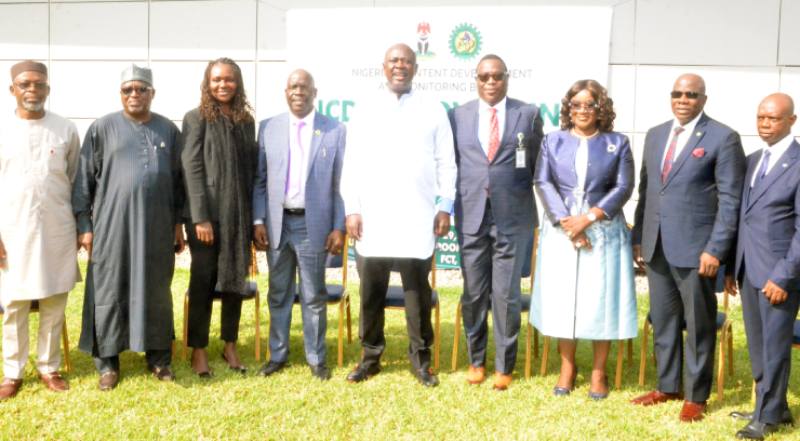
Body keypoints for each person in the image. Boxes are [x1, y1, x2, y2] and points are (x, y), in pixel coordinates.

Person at [631, 73, 746, 421]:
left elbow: (730, 201)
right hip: (656, 246)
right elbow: (647, 190)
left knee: (698, 324)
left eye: (691, 95)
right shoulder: (655, 135)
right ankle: (668, 386)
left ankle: (696, 395)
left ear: (704, 100)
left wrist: (716, 249)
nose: (683, 99)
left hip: (698, 252)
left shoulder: (723, 137)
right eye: (678, 93)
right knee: (665, 320)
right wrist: (639, 236)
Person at [341, 43, 456, 387]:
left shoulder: (433, 108)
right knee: (371, 294)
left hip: (417, 218)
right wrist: (352, 209)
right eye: (394, 60)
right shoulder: (365, 108)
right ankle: (370, 356)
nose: (400, 66)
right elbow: (352, 164)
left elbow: (446, 161)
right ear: (383, 66)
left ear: (416, 69)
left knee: (416, 295)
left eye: (407, 61)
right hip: (373, 219)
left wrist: (445, 205)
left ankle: (421, 361)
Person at [72, 64, 185, 391]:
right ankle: (107, 364)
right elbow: (83, 181)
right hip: (111, 228)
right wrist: (85, 225)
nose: (134, 95)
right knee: (109, 289)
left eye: (141, 89)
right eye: (128, 90)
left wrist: (179, 224)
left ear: (152, 93)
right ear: (120, 93)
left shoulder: (168, 131)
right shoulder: (102, 128)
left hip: (158, 228)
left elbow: (180, 184)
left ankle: (159, 358)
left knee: (157, 292)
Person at [530, 79, 637, 399]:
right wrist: (568, 225)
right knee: (565, 301)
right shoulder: (553, 141)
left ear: (600, 108)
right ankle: (567, 368)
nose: (582, 111)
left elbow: (623, 187)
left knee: (599, 301)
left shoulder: (617, 143)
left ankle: (598, 373)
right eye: (575, 105)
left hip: (602, 233)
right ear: (568, 109)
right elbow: (543, 180)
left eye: (589, 104)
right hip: (562, 232)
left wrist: (588, 218)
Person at [448, 54, 543, 390]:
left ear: (507, 77)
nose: (490, 82)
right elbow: (452, 164)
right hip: (472, 213)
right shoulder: (458, 115)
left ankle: (504, 366)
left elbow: (535, 163)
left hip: (512, 217)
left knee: (506, 294)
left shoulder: (528, 114)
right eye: (484, 77)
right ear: (476, 79)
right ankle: (476, 361)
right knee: (474, 293)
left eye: (497, 76)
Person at [252, 69, 346, 381]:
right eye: (293, 86)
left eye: (304, 87)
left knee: (313, 295)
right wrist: (258, 219)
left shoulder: (334, 131)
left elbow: (340, 185)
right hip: (278, 225)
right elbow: (260, 181)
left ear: (314, 92)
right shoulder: (268, 128)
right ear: (285, 91)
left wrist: (338, 227)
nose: (298, 92)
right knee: (278, 293)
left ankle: (316, 358)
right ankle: (277, 355)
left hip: (313, 226)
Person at [0, 61, 80, 400]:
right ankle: (12, 372)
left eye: (39, 85)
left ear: (48, 89)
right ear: (12, 89)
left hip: (56, 229)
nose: (32, 90)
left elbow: (74, 178)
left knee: (53, 300)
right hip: (11, 232)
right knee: (14, 304)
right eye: (25, 84)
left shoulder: (65, 129)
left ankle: (49, 367)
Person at [729, 93, 798, 440]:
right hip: (748, 269)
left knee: (774, 345)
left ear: (791, 121)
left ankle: (766, 418)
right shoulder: (754, 158)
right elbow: (744, 217)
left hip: (779, 274)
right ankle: (771, 405)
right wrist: (732, 267)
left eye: (772, 118)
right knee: (757, 343)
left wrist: (784, 274)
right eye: (760, 118)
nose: (765, 124)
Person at [182, 58, 257, 377]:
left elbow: (252, 171)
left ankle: (229, 344)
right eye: (216, 80)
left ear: (237, 83)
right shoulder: (196, 118)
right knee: (203, 282)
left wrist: (253, 219)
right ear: (207, 83)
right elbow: (191, 166)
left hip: (237, 214)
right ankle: (198, 349)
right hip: (206, 218)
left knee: (234, 281)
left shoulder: (245, 120)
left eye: (228, 79)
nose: (222, 85)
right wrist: (200, 218)